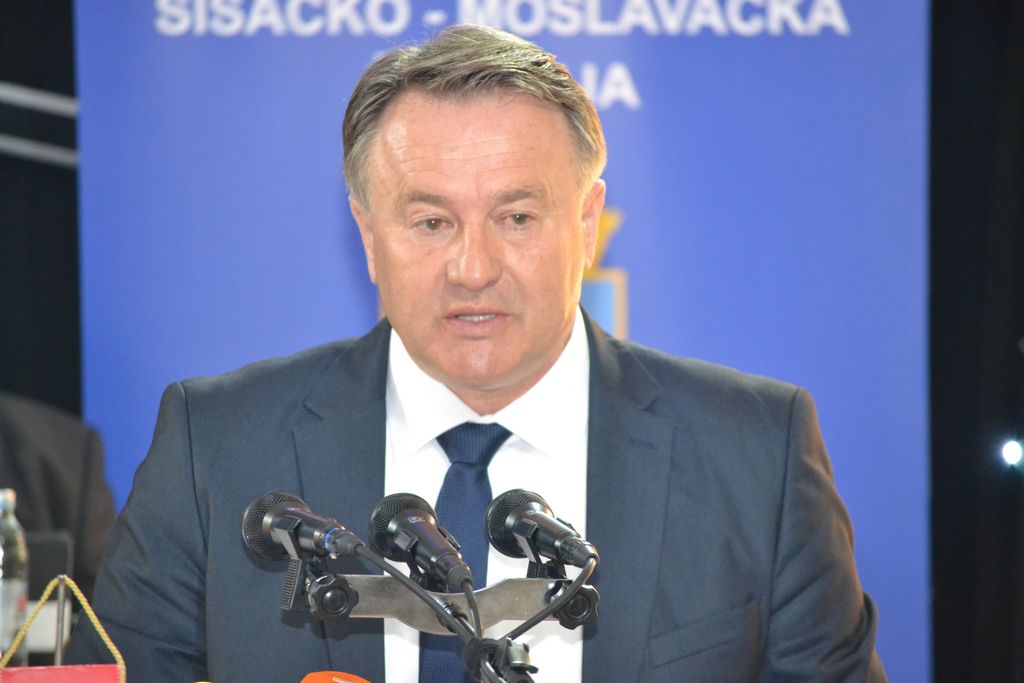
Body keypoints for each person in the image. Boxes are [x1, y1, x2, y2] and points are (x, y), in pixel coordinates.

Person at [66, 25, 886, 682]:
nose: (473, 267)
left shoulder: (756, 454)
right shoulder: (216, 449)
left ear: (588, 223)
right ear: (367, 233)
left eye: (516, 218)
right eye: (431, 222)